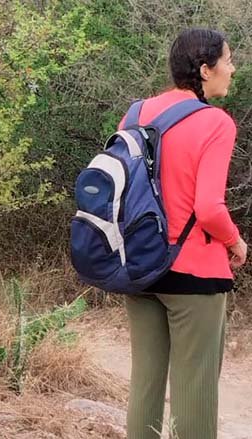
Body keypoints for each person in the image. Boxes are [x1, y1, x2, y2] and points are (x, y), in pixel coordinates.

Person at [121, 28, 247, 439]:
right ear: (205, 70)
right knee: (195, 389)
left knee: (145, 386)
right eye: (228, 61)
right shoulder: (215, 121)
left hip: (140, 266)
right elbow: (208, 209)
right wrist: (235, 241)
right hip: (194, 273)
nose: (232, 69)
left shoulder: (136, 113)